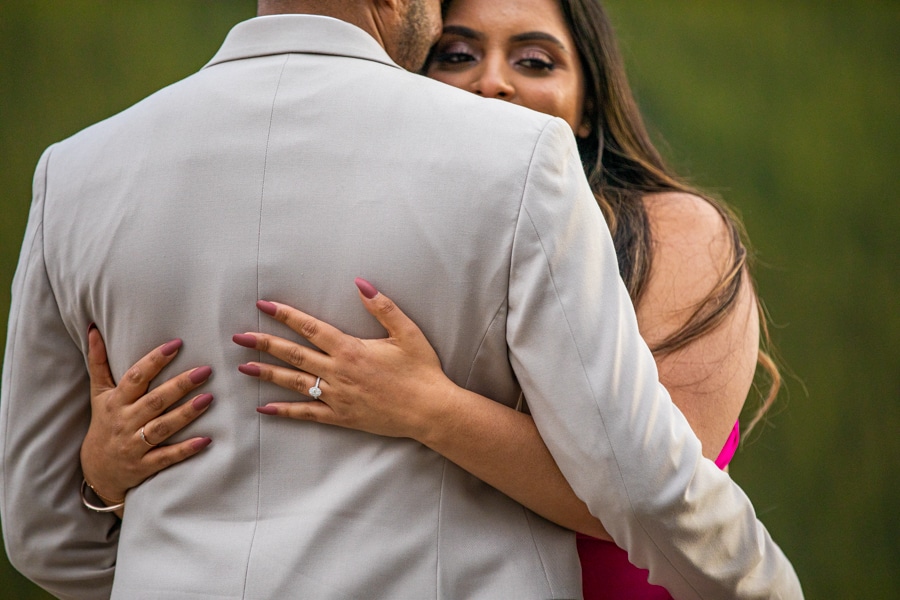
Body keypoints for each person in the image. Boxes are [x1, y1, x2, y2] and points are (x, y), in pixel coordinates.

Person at [0, 2, 802, 600]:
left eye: (535, 60)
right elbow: (642, 486)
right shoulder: (514, 165)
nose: (492, 83)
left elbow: (40, 534)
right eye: (457, 49)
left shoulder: (73, 173)